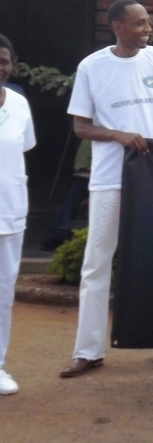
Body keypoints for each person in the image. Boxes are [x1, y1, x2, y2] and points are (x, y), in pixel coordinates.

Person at [61, 0, 153, 378]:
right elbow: (81, 126)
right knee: (97, 262)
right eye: (139, 23)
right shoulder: (92, 67)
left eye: (148, 22)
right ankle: (88, 350)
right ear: (117, 26)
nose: (148, 28)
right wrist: (116, 134)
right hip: (109, 178)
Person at [0, 34, 35, 395]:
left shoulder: (20, 105)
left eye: (4, 62)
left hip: (9, 211)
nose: (0, 68)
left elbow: (22, 148)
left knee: (3, 292)